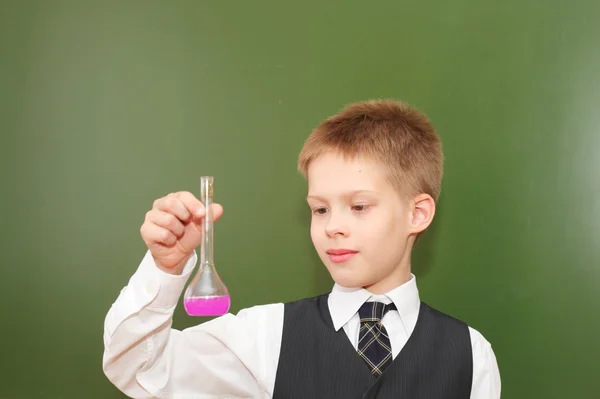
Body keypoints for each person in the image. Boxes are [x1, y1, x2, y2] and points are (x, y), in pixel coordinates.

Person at [102, 99, 501, 398]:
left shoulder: (471, 354)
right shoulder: (264, 336)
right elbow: (137, 366)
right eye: (320, 209)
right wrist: (166, 268)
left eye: (359, 207)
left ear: (417, 214)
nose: (334, 227)